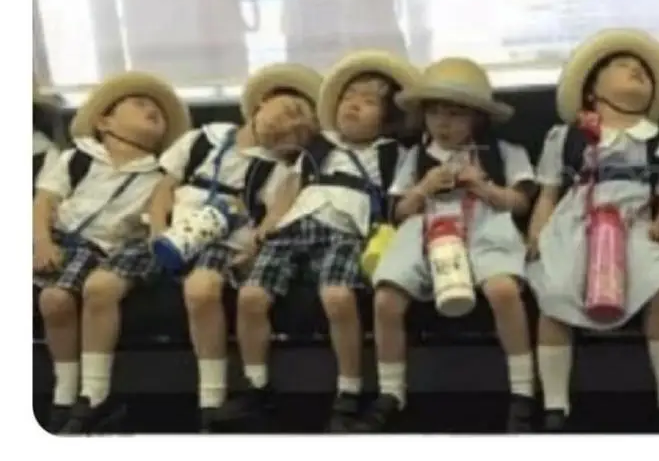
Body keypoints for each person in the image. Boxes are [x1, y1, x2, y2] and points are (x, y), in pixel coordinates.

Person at [226, 50, 418, 432]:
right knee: (250, 297)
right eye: (348, 97)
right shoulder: (320, 146)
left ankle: (348, 391)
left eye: (368, 102)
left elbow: (399, 201)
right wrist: (265, 228)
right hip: (295, 225)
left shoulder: (393, 154)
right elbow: (290, 188)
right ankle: (257, 387)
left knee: (337, 297)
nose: (353, 105)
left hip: (347, 229)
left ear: (388, 118)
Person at [362, 58, 538, 432]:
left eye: (455, 114)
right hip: (426, 230)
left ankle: (523, 390)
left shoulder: (503, 151)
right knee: (386, 298)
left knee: (503, 290)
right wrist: (423, 189)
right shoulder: (413, 156)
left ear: (476, 118)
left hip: (485, 227)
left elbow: (521, 202)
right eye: (435, 113)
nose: (443, 123)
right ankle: (391, 392)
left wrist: (483, 186)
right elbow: (398, 212)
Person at [146, 63, 321, 432]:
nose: (292, 124)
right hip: (174, 233)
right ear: (262, 102)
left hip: (226, 241)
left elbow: (275, 214)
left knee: (201, 289)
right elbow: (163, 188)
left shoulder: (281, 170)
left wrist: (256, 244)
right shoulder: (202, 140)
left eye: (303, 127)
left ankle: (210, 400)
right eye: (289, 111)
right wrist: (158, 230)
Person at [527, 29, 659, 432]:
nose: (636, 70)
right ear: (592, 89)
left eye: (643, 71)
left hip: (636, 222)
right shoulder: (566, 137)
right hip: (576, 222)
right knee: (554, 292)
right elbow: (549, 192)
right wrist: (537, 232)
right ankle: (555, 404)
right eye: (621, 65)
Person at [33, 72, 190, 434]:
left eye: (158, 112)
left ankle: (94, 394)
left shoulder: (160, 175)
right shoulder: (77, 159)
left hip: (118, 247)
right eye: (139, 104)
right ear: (104, 122)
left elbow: (158, 219)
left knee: (99, 289)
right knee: (54, 300)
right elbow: (44, 202)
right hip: (68, 240)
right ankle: (64, 392)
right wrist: (42, 241)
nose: (152, 111)